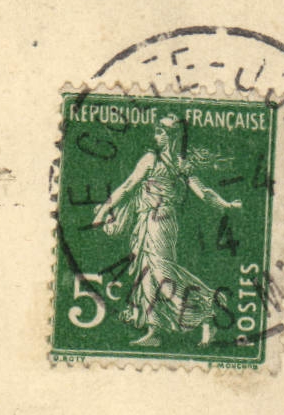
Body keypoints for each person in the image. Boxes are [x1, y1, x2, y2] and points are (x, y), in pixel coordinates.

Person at [91, 113, 241, 347]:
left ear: (170, 136)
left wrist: (225, 205)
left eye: (160, 132)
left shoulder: (174, 164)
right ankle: (155, 331)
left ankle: (207, 311)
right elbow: (129, 186)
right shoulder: (155, 159)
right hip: (146, 222)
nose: (156, 136)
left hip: (162, 223)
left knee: (162, 274)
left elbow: (203, 192)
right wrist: (102, 211)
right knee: (146, 274)